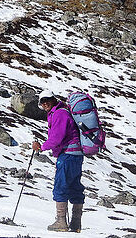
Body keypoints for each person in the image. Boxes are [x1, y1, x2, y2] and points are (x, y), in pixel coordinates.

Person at [32, 89, 85, 232]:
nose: (45, 103)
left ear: (53, 99)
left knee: (61, 185)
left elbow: (56, 138)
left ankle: (61, 222)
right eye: (42, 102)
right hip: (76, 154)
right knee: (74, 186)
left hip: (67, 154)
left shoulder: (59, 113)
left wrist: (41, 147)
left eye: (47, 100)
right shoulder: (62, 111)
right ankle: (76, 223)